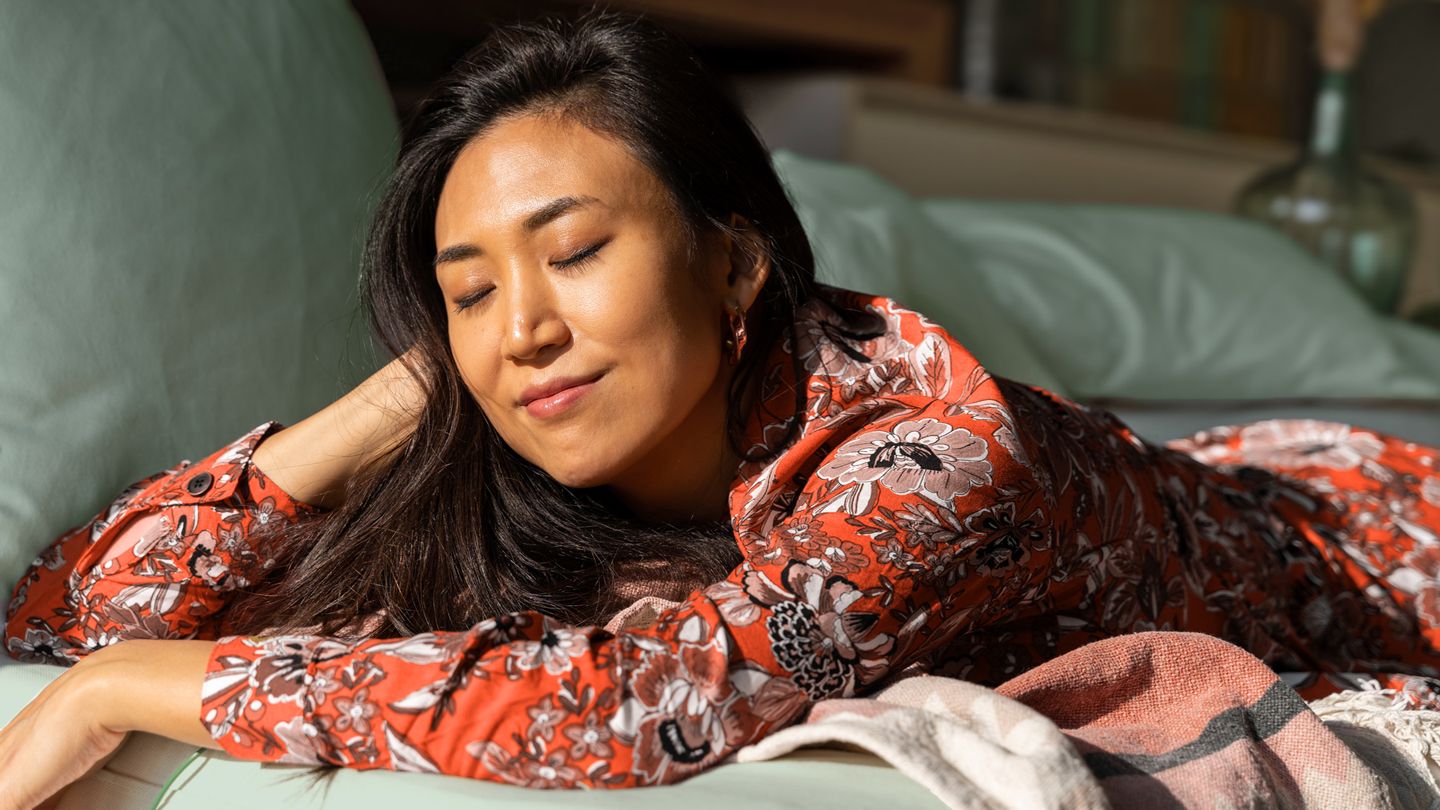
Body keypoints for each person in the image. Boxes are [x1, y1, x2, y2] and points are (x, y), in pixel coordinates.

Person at [4, 6, 1440, 804]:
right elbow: (62, 616)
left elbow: (657, 704)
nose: (529, 325)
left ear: (735, 255)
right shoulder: (513, 413)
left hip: (1376, 533)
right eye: (470, 287)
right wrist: (415, 390)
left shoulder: (929, 455)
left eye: (573, 253)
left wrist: (136, 691)